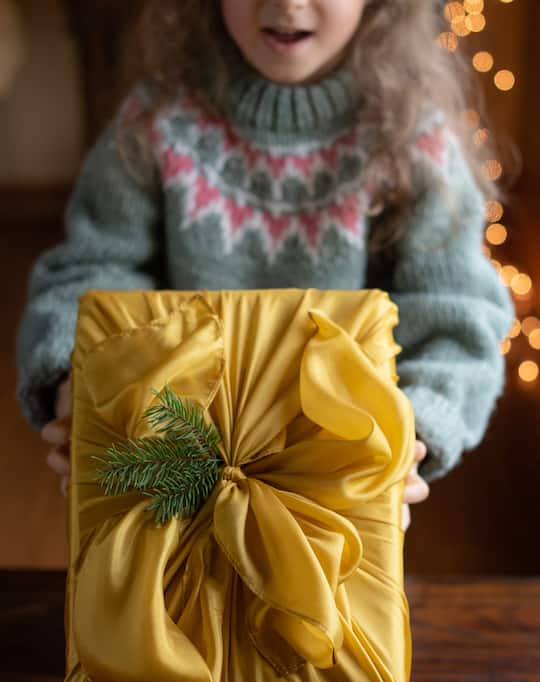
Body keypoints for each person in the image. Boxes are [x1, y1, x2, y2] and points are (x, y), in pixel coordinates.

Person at [15, 0, 515, 532]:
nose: (286, 2)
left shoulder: (414, 138)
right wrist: (81, 383)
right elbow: (89, 272)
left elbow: (455, 315)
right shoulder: (158, 119)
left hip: (335, 479)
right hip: (175, 463)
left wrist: (414, 429)